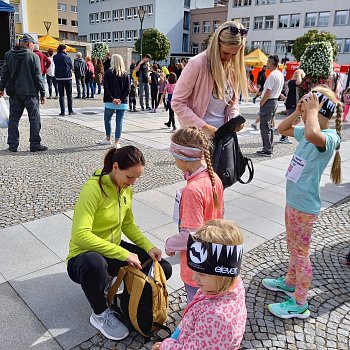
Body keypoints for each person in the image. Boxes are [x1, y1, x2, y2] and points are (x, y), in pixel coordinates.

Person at [67, 145, 172, 341]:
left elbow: (128, 224)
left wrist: (148, 247)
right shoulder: (93, 189)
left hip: (112, 249)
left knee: (162, 267)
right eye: (130, 177)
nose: (133, 182)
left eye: (137, 178)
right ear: (115, 167)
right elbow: (81, 235)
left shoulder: (125, 188)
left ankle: (129, 301)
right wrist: (123, 254)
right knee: (94, 264)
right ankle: (99, 313)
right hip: (83, 256)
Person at [262, 86, 342, 319]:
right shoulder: (309, 131)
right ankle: (290, 280)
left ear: (319, 111)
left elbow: (311, 134)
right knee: (293, 248)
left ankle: (300, 303)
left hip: (304, 207)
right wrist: (298, 112)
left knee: (301, 253)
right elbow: (281, 128)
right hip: (293, 202)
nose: (305, 110)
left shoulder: (328, 137)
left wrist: (313, 110)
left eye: (307, 106)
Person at [152, 219, 246, 350]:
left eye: (201, 274)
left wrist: (166, 346)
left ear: (222, 275)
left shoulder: (216, 319)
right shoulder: (229, 284)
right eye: (195, 270)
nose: (194, 277)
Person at [165, 127, 224, 302]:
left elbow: (191, 236)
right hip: (213, 256)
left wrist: (170, 245)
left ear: (182, 158)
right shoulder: (213, 178)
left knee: (196, 304)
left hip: (196, 266)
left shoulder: (192, 190)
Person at [172, 21, 248, 139]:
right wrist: (205, 127)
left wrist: (234, 118)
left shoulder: (233, 68)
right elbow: (177, 103)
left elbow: (233, 102)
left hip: (223, 137)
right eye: (225, 53)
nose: (228, 58)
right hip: (197, 138)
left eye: (234, 54)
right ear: (216, 45)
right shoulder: (197, 64)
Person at [0, 33, 47, 152]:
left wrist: (1, 88)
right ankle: (35, 144)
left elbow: (4, 73)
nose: (33, 46)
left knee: (14, 119)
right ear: (28, 44)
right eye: (32, 44)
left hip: (15, 93)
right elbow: (37, 76)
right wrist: (42, 92)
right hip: (30, 93)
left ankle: (12, 145)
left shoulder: (8, 55)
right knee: (34, 118)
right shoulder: (33, 56)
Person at [97, 54, 130, 147]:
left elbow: (106, 88)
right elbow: (127, 89)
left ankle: (108, 138)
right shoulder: (125, 74)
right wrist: (120, 99)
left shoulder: (108, 72)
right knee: (119, 121)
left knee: (107, 119)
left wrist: (113, 99)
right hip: (122, 102)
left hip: (109, 101)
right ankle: (117, 142)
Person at [256, 55, 284, 157]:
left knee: (265, 126)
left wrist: (261, 102)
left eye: (268, 62)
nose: (266, 64)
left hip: (269, 101)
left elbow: (268, 91)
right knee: (270, 126)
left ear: (271, 64)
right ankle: (269, 147)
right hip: (274, 101)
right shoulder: (280, 74)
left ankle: (267, 149)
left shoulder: (272, 75)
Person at [279, 69, 305, 144]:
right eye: (301, 76)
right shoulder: (292, 82)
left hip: (292, 103)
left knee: (297, 119)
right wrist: (299, 73)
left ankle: (284, 132)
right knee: (291, 119)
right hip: (291, 104)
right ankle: (283, 136)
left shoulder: (291, 82)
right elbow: (299, 82)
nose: (302, 78)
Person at [54, 44, 75, 116]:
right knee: (69, 94)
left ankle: (62, 111)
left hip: (59, 77)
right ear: (63, 49)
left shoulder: (55, 57)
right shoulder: (67, 57)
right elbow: (71, 66)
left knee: (61, 95)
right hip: (67, 77)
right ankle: (70, 110)